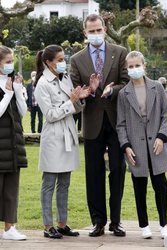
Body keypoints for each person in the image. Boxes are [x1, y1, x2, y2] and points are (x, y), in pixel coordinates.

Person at [70, 14, 129, 237]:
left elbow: (126, 83)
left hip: (116, 121)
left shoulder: (120, 52)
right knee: (93, 174)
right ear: (85, 33)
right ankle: (98, 221)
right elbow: (76, 92)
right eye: (91, 31)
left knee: (117, 170)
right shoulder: (76, 59)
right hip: (92, 122)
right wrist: (90, 90)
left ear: (104, 29)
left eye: (98, 30)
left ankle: (116, 221)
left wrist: (111, 90)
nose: (96, 34)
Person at [34, 44, 91, 239]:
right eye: (59, 60)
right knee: (49, 183)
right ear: (48, 63)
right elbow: (50, 115)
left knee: (65, 182)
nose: (62, 63)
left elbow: (73, 107)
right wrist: (70, 102)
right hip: (53, 138)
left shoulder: (65, 78)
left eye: (63, 59)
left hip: (68, 135)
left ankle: (62, 224)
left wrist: (80, 98)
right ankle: (47, 225)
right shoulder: (42, 84)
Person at [116, 51, 167, 239]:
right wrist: (126, 146)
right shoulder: (124, 94)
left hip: (157, 144)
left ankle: (164, 224)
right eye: (130, 67)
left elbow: (166, 113)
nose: (134, 69)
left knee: (160, 185)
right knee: (139, 186)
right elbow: (121, 124)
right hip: (135, 146)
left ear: (144, 65)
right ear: (127, 69)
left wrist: (162, 136)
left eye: (137, 65)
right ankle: (144, 225)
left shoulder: (157, 87)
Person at [0, 45, 28, 240]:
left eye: (12, 61)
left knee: (11, 188)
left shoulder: (12, 81)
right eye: (7, 62)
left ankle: (9, 228)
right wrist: (8, 94)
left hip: (13, 142)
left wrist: (17, 91)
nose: (11, 65)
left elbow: (22, 112)